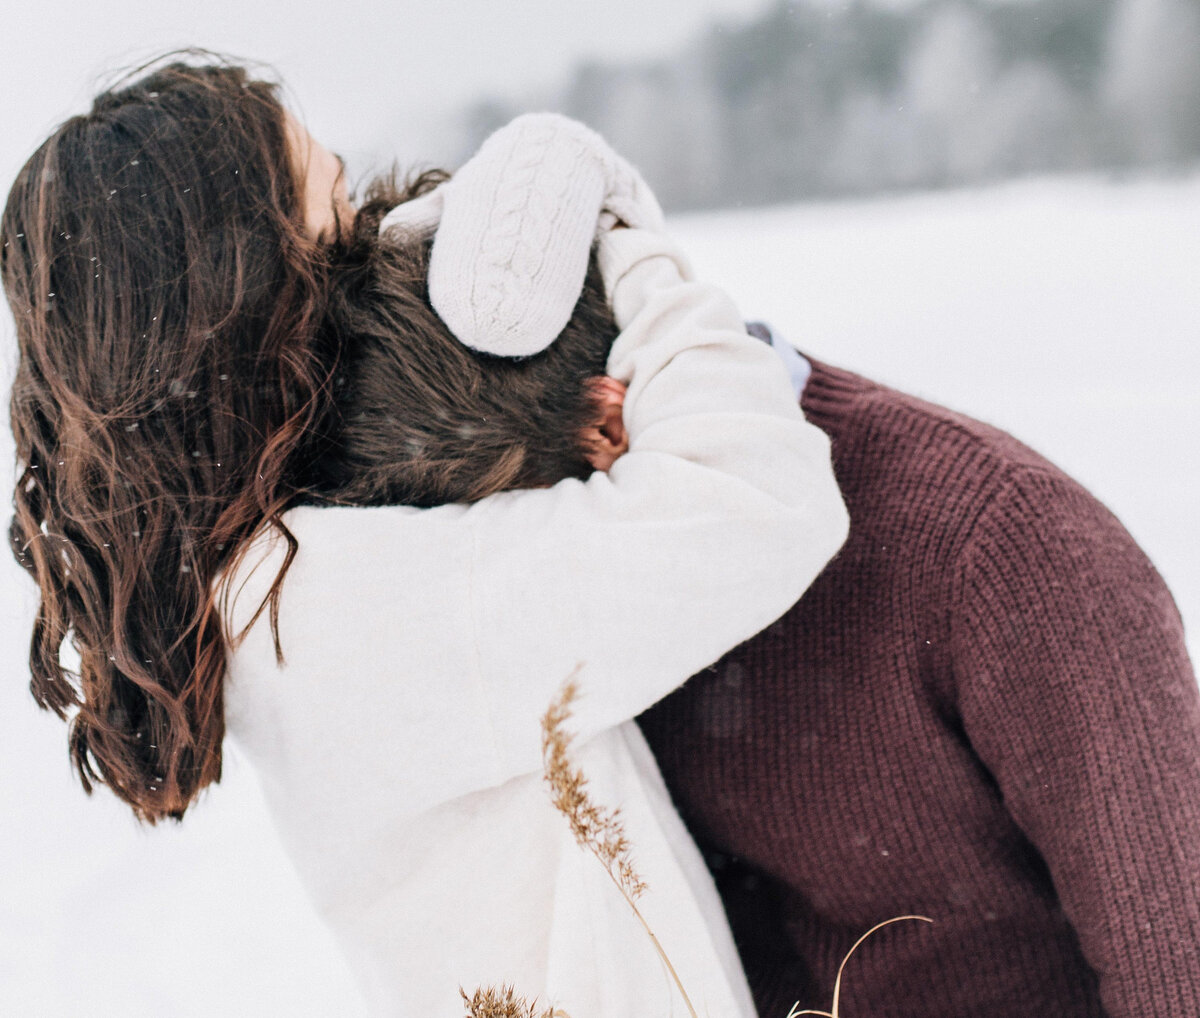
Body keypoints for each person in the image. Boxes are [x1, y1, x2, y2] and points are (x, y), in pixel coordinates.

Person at [1, 59, 848, 1016]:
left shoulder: (266, 581)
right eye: (347, 214)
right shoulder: (338, 609)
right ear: (259, 283)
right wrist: (619, 243)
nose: (382, 241)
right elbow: (757, 500)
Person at [337, 152, 1200, 1016]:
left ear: (608, 424)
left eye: (525, 514)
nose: (523, 561)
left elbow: (1177, 967)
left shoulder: (1006, 551)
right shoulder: (603, 597)